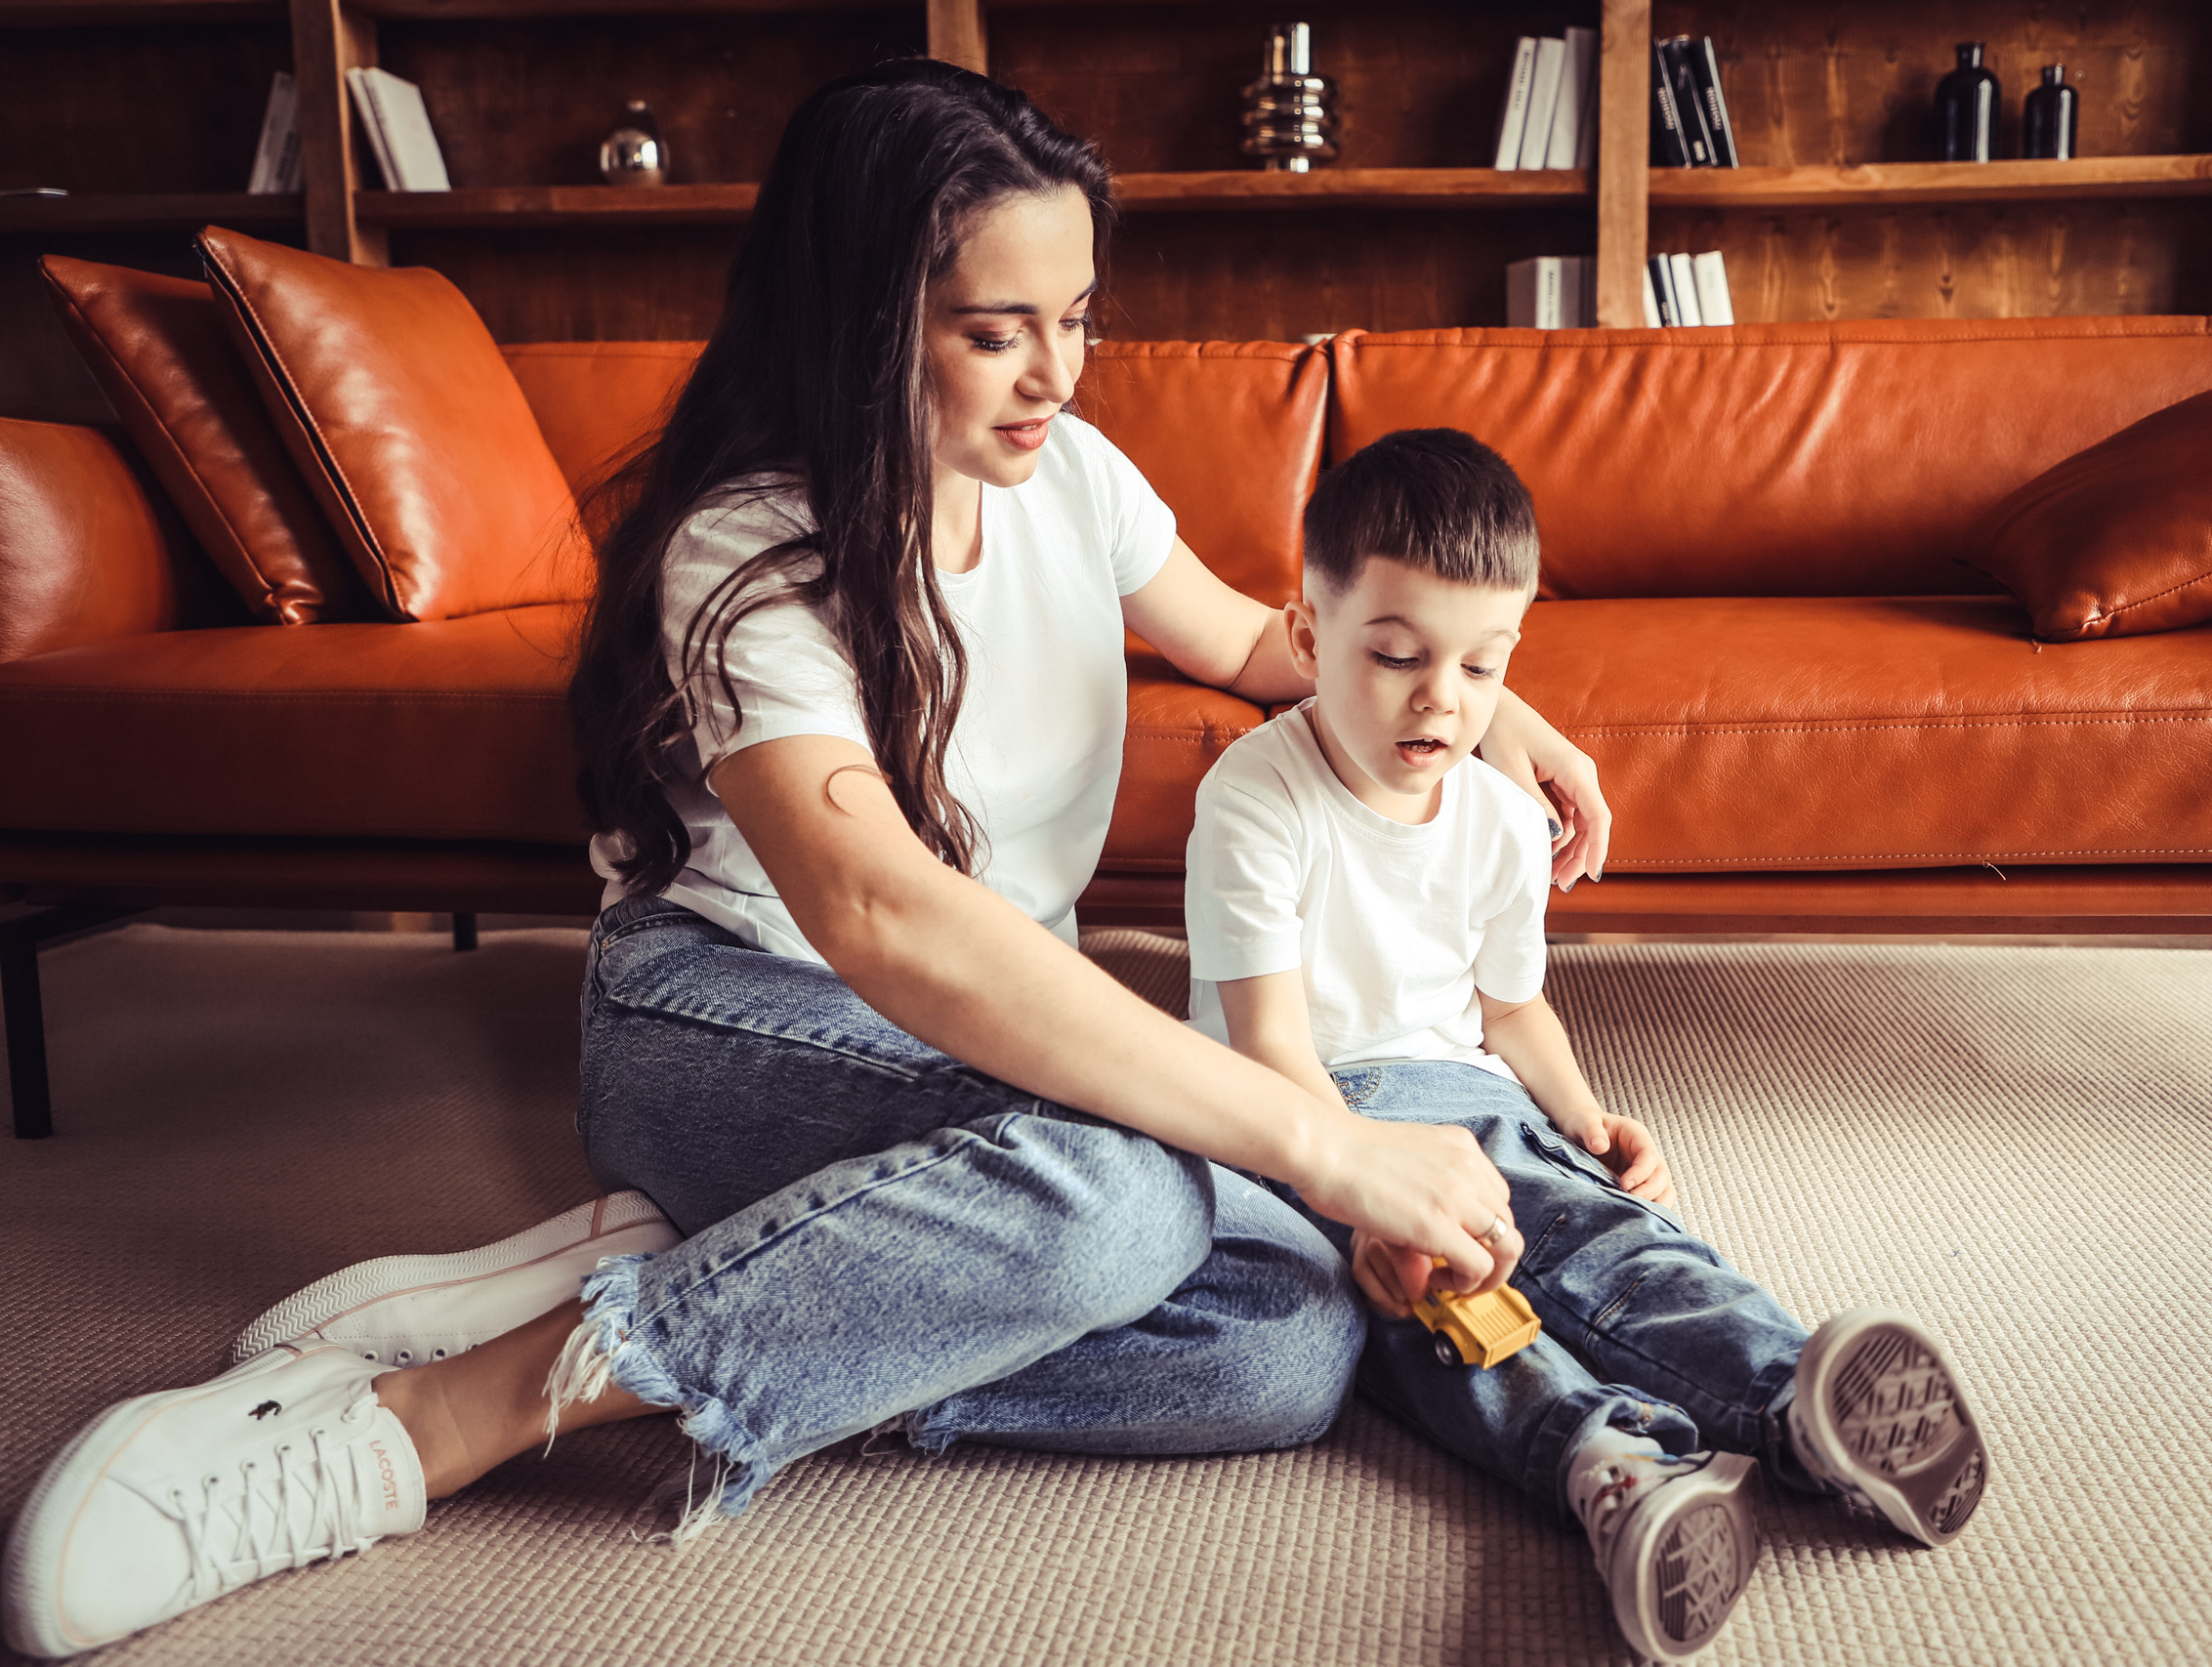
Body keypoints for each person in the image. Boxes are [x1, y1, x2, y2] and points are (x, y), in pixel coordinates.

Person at [1, 63, 1618, 1659]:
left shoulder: (1076, 478)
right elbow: (881, 915)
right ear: (861, 317)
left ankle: (738, 1262)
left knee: (1274, 1351)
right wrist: (1321, 1144)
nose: (1055, 372)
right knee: (1131, 1201)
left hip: (991, 1029)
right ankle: (431, 1420)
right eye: (999, 329)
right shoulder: (747, 551)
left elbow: (1275, 645)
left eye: (1079, 317)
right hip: (730, 1012)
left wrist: (1507, 719)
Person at [1184, 429, 1992, 1661]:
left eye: (1482, 666)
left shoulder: (1503, 818)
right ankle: (1609, 1471)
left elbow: (1509, 1012)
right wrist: (1363, 1195)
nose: (1440, 700)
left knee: (1610, 1239)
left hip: (1470, 1101)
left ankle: (1796, 1400)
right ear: (1307, 638)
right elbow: (1271, 1048)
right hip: (1305, 1131)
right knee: (1443, 1316)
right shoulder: (1254, 796)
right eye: (1394, 655)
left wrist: (1582, 1113)